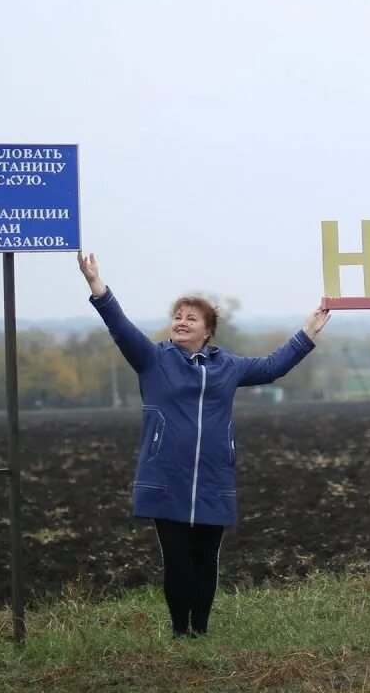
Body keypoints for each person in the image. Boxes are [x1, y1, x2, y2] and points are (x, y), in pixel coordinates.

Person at [77, 251, 329, 637]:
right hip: (166, 477)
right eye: (177, 316)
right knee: (177, 561)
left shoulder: (228, 367)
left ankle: (201, 632)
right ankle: (181, 633)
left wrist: (307, 332)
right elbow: (120, 327)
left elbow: (272, 367)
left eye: (190, 318)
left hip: (213, 477)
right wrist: (98, 287)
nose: (181, 322)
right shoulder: (153, 360)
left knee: (206, 560)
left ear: (207, 331)